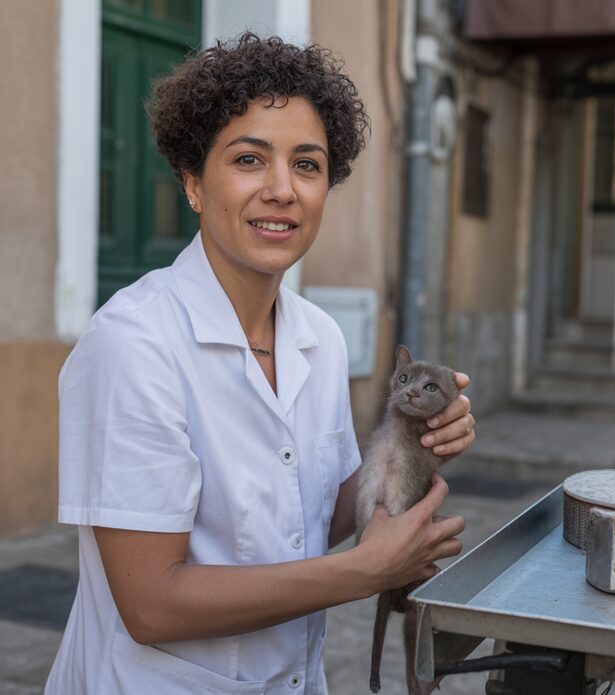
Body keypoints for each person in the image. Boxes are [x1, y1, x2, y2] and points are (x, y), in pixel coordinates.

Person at [46, 34, 475, 692]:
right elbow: (149, 604)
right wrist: (365, 569)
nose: (282, 189)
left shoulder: (320, 339)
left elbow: (306, 514)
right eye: (249, 159)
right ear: (192, 181)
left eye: (308, 165)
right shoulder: (133, 344)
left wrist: (414, 451)